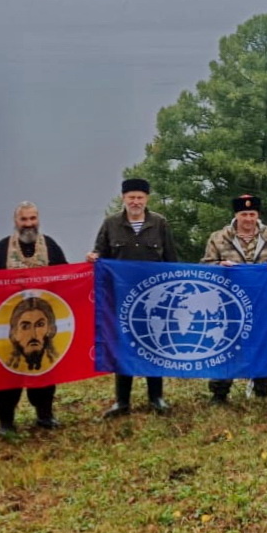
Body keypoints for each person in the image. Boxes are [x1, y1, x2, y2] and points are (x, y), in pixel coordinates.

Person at [86, 177, 178, 417]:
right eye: (131, 198)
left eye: (140, 197)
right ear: (123, 199)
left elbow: (171, 260)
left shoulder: (160, 223)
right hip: (120, 299)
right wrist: (93, 257)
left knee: (154, 345)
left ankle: (156, 397)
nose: (135, 202)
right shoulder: (111, 224)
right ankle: (122, 401)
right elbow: (101, 254)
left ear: (147, 199)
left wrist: (172, 294)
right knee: (122, 347)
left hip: (154, 299)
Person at [0, 201, 68, 434]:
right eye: (24, 220)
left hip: (42, 323)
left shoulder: (50, 246)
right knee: (7, 374)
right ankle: (6, 421)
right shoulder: (2, 249)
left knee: (44, 370)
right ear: (16, 221)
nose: (29, 224)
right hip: (11, 325)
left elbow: (67, 277)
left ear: (38, 220)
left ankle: (45, 415)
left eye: (32, 219)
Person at [201, 194, 267, 403]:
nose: (248, 219)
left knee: (261, 342)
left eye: (252, 214)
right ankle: (220, 392)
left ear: (257, 215)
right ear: (236, 215)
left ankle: (262, 389)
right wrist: (219, 266)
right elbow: (205, 264)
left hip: (262, 302)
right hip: (228, 303)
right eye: (243, 214)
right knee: (225, 344)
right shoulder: (219, 237)